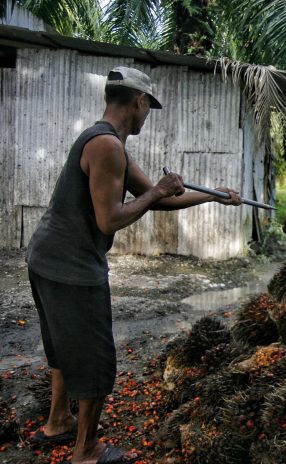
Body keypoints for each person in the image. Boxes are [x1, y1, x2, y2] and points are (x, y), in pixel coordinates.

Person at [25, 66, 242, 464]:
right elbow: (112, 218)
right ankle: (86, 452)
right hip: (70, 265)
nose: (146, 115)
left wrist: (213, 197)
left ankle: (58, 422)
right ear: (139, 102)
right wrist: (159, 188)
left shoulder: (109, 144)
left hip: (46, 257)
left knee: (62, 348)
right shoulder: (107, 146)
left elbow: (157, 200)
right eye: (147, 107)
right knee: (96, 359)